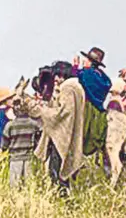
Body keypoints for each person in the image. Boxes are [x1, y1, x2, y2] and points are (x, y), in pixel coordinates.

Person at [22, 63, 86, 196]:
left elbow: (61, 113)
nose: (55, 79)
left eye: (57, 75)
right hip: (65, 135)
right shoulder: (76, 87)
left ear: (63, 75)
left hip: (61, 138)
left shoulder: (68, 89)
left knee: (57, 172)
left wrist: (40, 109)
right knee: (58, 172)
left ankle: (62, 200)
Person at [73, 47, 111, 157]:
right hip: (98, 108)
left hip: (88, 107)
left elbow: (77, 77)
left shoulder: (88, 74)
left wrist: (75, 66)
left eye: (87, 59)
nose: (84, 61)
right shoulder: (101, 77)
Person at [3, 99, 40, 189]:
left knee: (15, 186)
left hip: (15, 158)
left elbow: (4, 144)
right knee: (29, 185)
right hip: (29, 158)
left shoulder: (10, 125)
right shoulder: (34, 124)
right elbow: (38, 140)